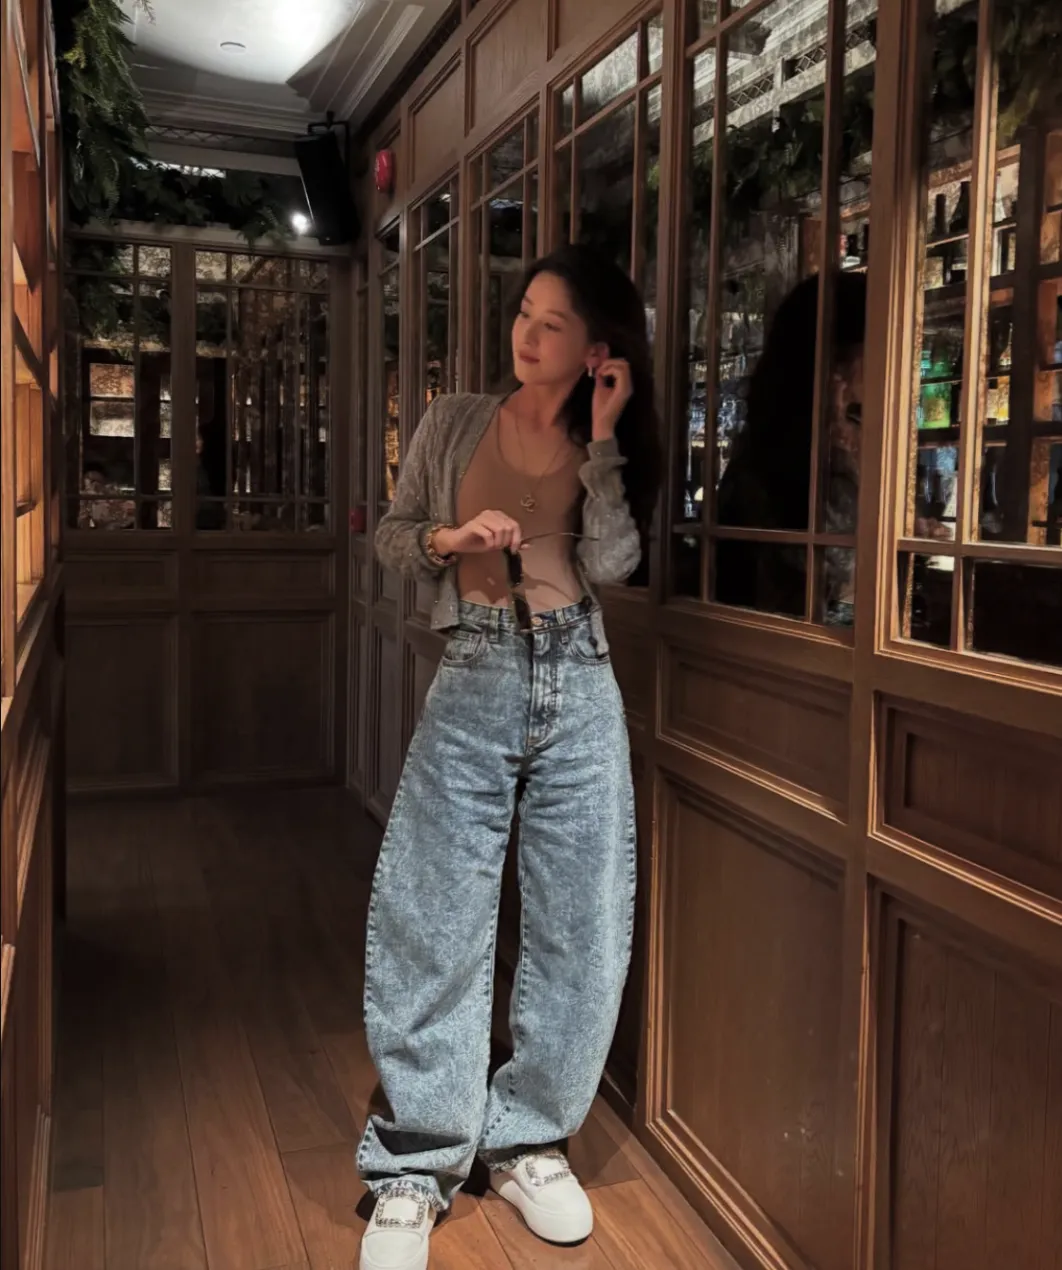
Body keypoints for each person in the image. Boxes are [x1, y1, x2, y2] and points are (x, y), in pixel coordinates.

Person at [357, 243, 660, 1270]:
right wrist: (449, 541)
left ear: (596, 349)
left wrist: (605, 439)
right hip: (476, 674)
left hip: (580, 682)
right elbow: (393, 536)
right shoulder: (453, 421)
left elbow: (614, 562)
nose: (527, 335)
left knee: (582, 920)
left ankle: (530, 1137)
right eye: (524, 312)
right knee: (433, 910)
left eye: (552, 324)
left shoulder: (599, 440)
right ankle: (415, 1161)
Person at [715, 272, 867, 623]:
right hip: (776, 636)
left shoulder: (786, 436)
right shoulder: (798, 450)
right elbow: (837, 561)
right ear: (840, 359)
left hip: (772, 631)